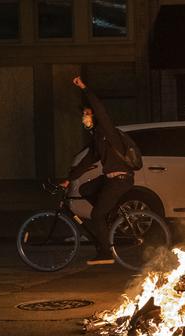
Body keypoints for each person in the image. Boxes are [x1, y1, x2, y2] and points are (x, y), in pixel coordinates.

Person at [60, 76, 134, 265]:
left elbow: (99, 109)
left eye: (86, 113)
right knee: (85, 189)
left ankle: (105, 253)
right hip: (110, 180)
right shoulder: (97, 140)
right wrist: (69, 179)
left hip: (121, 179)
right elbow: (86, 162)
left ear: (93, 116)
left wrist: (84, 88)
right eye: (83, 114)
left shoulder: (107, 131)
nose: (84, 118)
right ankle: (108, 212)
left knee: (96, 216)